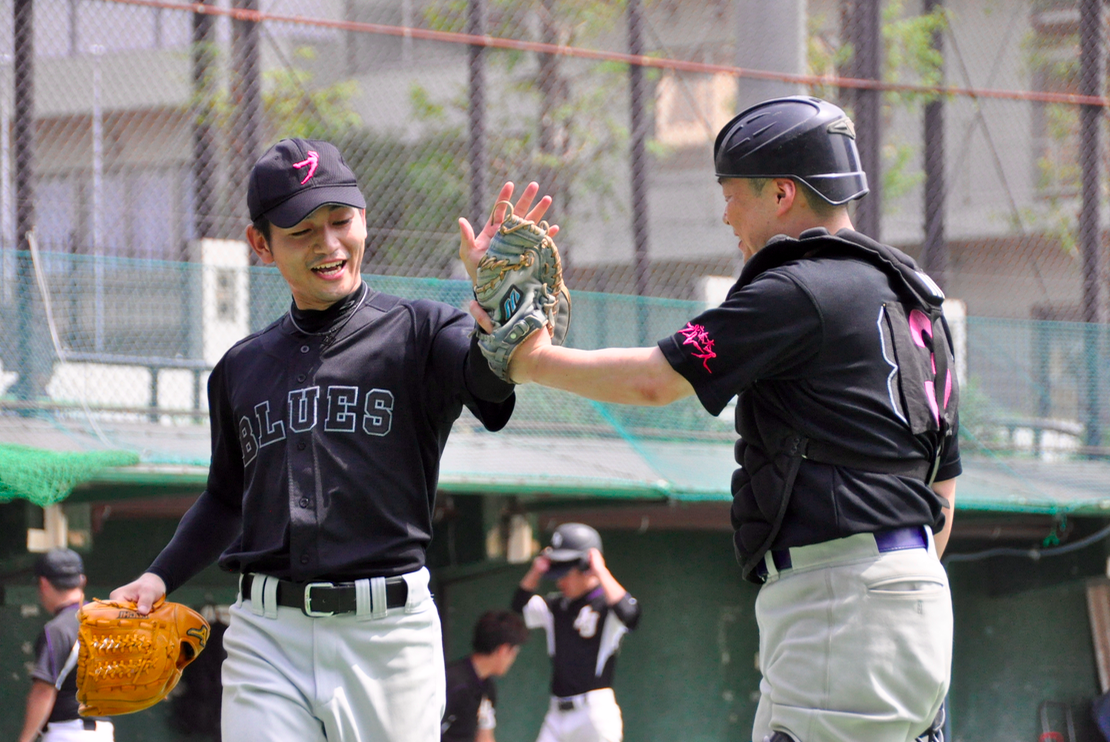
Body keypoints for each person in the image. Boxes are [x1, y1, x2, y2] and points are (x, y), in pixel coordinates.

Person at [460, 97, 959, 742]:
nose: (726, 216)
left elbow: (654, 379)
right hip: (909, 590)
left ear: (781, 193)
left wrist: (530, 359)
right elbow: (943, 488)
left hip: (842, 597)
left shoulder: (799, 287)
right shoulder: (916, 298)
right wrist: (895, 584)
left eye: (732, 195)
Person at [108, 138, 556, 742]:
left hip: (387, 637)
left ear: (364, 219)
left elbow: (487, 388)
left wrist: (498, 315)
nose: (328, 243)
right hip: (267, 634)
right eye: (301, 230)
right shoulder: (240, 368)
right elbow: (225, 498)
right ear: (260, 244)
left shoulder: (422, 330)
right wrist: (158, 578)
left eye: (341, 220)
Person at [511, 523, 641, 742]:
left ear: (586, 566)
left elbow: (630, 615)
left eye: (565, 573)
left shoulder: (607, 605)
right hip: (556, 714)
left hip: (593, 713)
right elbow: (519, 605)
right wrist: (537, 570)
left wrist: (600, 570)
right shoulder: (556, 605)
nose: (560, 581)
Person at [18, 548, 113, 742]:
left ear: (43, 584)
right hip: (102, 732)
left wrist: (25, 739)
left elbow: (44, 691)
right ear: (82, 580)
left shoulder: (58, 629)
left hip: (68, 732)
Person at [441, 610, 529, 742]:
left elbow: (484, 736)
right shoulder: (451, 683)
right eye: (514, 652)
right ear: (503, 650)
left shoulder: (488, 689)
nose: (513, 659)